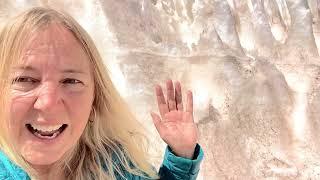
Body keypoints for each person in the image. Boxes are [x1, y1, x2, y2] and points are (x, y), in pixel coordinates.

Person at [0, 7, 203, 180]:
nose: (48, 102)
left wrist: (181, 155)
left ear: (95, 101)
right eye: (25, 79)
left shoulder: (115, 168)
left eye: (71, 81)